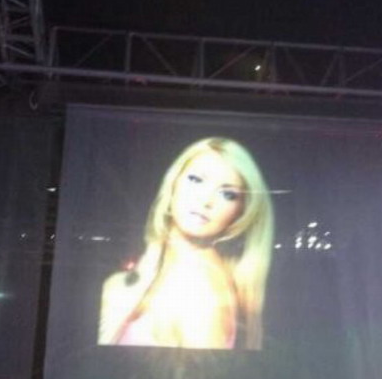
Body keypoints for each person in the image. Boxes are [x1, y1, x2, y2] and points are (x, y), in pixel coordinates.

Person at [98, 137, 274, 350]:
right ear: (174, 183)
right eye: (196, 180)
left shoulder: (198, 288)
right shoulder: (165, 265)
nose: (206, 200)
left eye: (228, 194)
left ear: (241, 212)